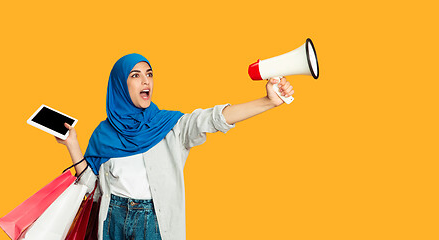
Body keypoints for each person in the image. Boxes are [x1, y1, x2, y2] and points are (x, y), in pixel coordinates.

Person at [55, 53, 294, 240]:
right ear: (120, 84)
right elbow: (88, 186)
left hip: (154, 221)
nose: (146, 80)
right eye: (135, 75)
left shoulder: (169, 126)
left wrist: (267, 102)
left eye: (149, 74)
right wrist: (72, 143)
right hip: (112, 219)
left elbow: (212, 118)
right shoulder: (104, 133)